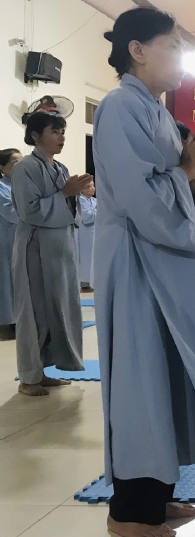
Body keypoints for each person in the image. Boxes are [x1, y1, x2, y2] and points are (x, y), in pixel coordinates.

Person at [93, 7, 195, 537]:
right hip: (138, 266)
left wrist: (188, 171)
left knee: (165, 378)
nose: (182, 59)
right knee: (140, 382)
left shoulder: (157, 111)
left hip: (164, 265)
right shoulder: (120, 107)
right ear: (137, 50)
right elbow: (140, 197)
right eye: (173, 46)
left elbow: (174, 188)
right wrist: (188, 168)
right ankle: (128, 512)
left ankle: (157, 496)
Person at [12, 111, 89, 397]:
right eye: (54, 131)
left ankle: (43, 371)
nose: (61, 137)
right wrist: (65, 194)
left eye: (62, 131)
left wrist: (77, 193)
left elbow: (70, 210)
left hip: (61, 249)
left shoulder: (61, 168)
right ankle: (28, 378)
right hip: (36, 249)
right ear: (35, 135)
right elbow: (29, 210)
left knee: (57, 309)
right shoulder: (25, 168)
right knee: (34, 313)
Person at [0, 148, 22, 341]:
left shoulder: (22, 185)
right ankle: (6, 325)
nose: (20, 165)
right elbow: (11, 213)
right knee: (6, 282)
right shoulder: (1, 188)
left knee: (18, 282)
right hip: (6, 240)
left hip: (21, 239)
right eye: (15, 162)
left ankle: (18, 321)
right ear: (2, 167)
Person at [75, 179, 97, 293]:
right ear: (82, 189)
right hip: (85, 234)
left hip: (94, 233)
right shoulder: (80, 200)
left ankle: (92, 282)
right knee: (85, 257)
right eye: (89, 186)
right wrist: (97, 211)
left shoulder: (94, 200)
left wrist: (96, 211)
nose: (92, 188)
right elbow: (87, 216)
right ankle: (84, 283)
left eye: (93, 186)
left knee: (93, 258)